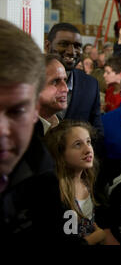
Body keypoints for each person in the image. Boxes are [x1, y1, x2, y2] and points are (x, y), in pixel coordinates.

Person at [0, 19, 80, 244]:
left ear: (35, 108)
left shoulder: (44, 172)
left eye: (17, 111)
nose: (2, 131)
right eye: (55, 82)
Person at [44, 120, 106, 245]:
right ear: (60, 154)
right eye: (78, 144)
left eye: (88, 142)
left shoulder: (92, 182)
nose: (88, 149)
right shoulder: (54, 193)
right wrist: (94, 238)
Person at [45, 23, 103, 137]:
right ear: (47, 46)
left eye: (77, 46)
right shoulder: (32, 81)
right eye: (64, 44)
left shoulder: (90, 85)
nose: (71, 51)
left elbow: (97, 132)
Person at [39, 54, 68, 134]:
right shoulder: (20, 132)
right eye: (55, 82)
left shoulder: (64, 129)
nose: (66, 89)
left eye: (65, 80)